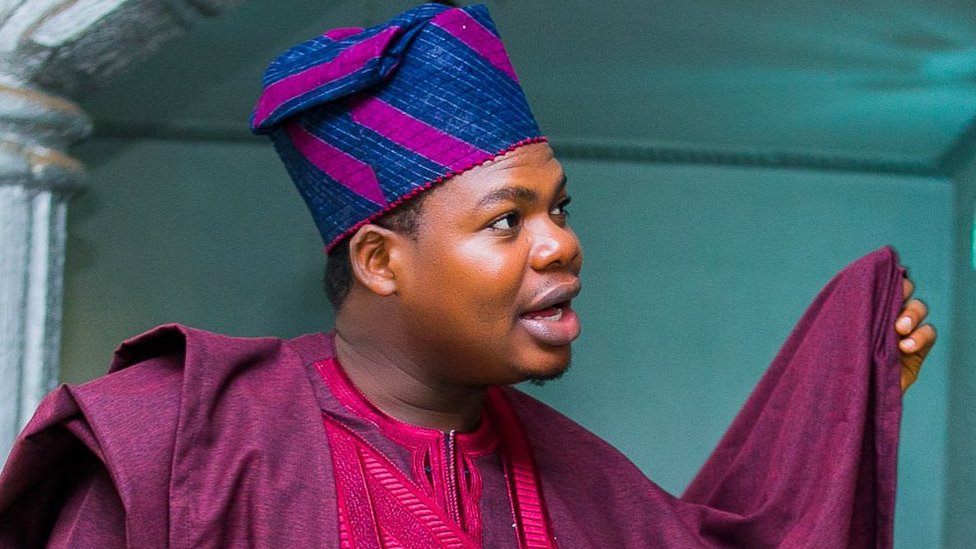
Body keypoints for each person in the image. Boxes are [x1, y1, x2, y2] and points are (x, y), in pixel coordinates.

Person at [0, 3, 935, 548]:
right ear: (380, 260)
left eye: (559, 209)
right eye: (506, 221)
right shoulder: (181, 441)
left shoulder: (585, 484)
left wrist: (848, 399)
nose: (560, 245)